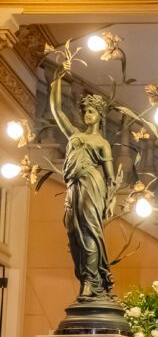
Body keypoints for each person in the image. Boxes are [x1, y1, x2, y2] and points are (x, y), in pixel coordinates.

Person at [49, 64, 119, 300]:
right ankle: (85, 277)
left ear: (100, 115)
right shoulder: (75, 135)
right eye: (85, 111)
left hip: (92, 183)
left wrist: (111, 201)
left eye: (91, 112)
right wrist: (55, 83)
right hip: (73, 187)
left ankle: (90, 282)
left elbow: (110, 178)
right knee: (73, 233)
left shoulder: (102, 143)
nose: (87, 115)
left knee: (89, 232)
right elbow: (58, 112)